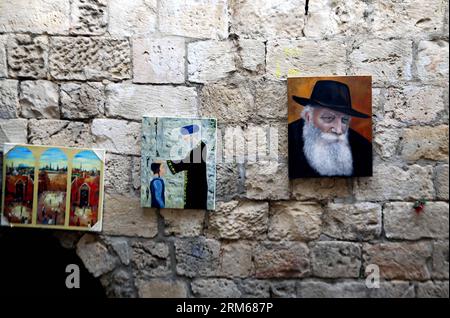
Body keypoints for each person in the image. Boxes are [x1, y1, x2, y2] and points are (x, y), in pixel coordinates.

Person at [288, 80, 372, 178]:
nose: (339, 130)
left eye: (344, 120)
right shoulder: (289, 140)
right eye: (328, 118)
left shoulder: (364, 149)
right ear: (308, 117)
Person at [167, 124, 208, 209]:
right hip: (195, 184)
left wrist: (171, 163)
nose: (184, 139)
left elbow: (189, 163)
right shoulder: (197, 147)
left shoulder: (200, 147)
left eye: (186, 136)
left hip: (197, 186)